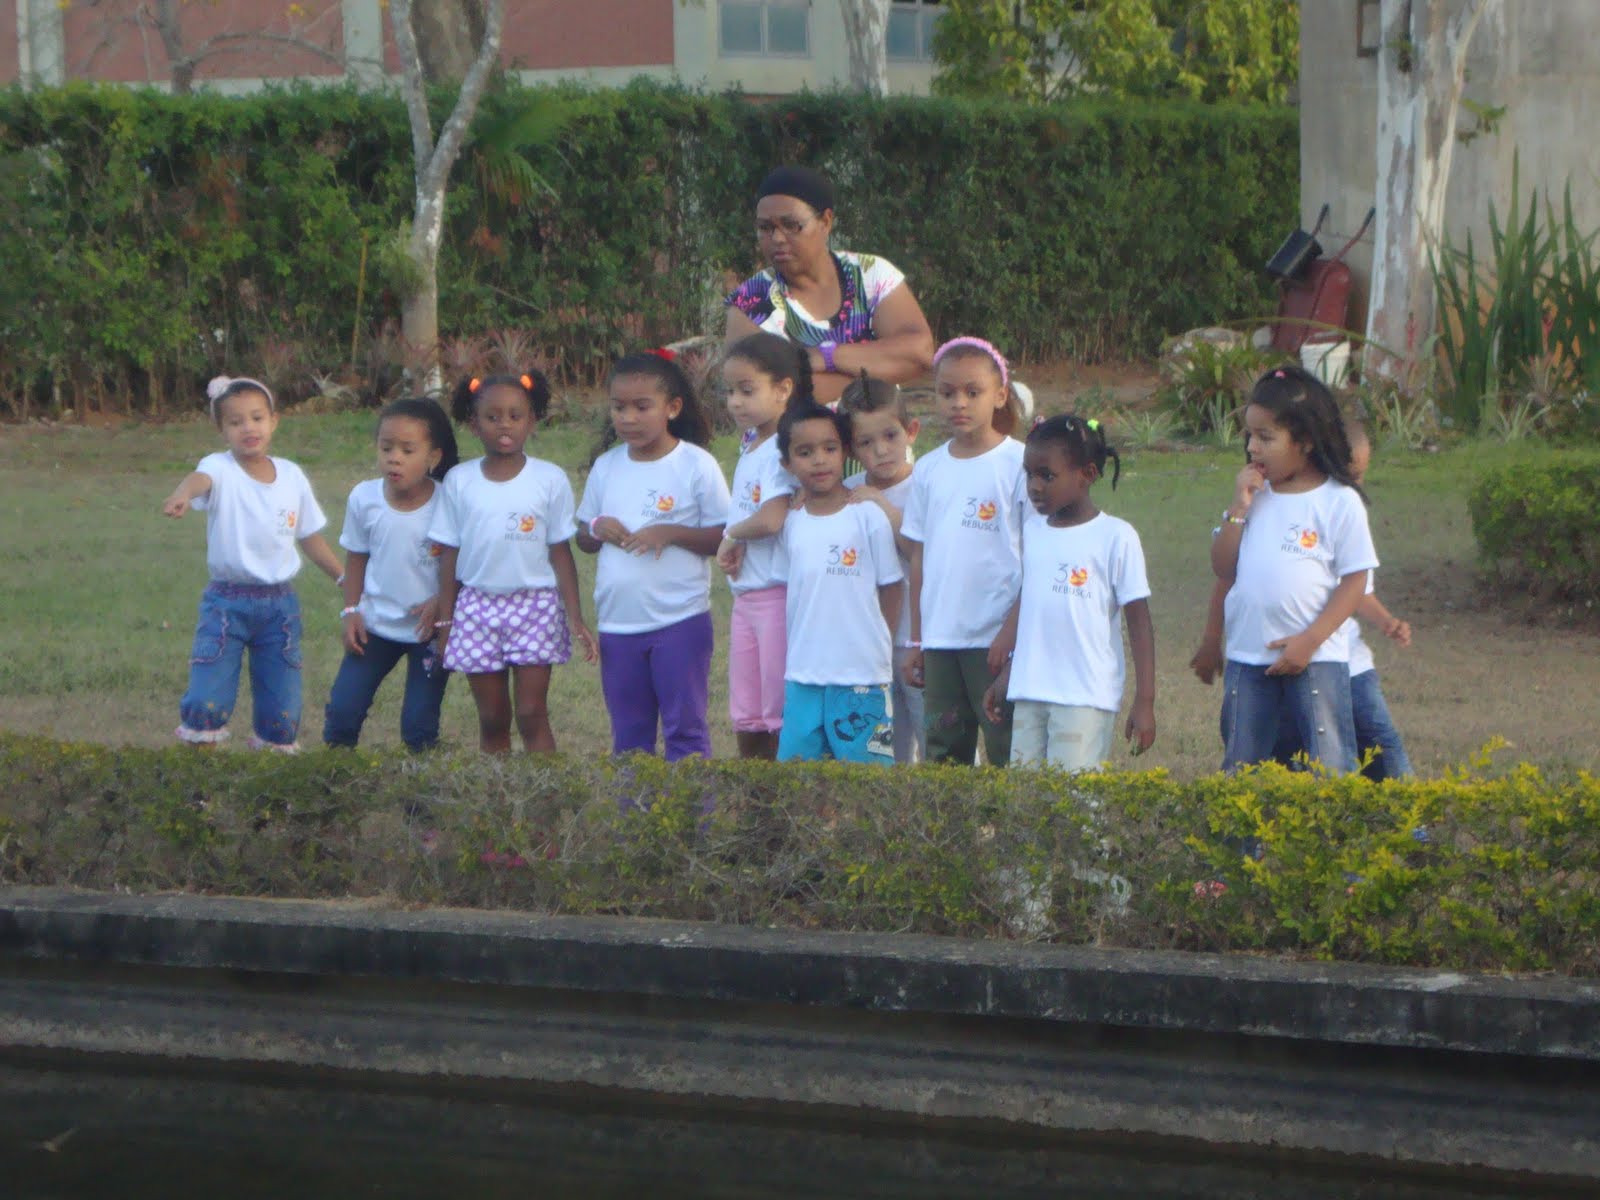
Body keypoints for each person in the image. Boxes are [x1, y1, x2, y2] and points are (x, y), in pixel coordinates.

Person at [1192, 416, 1413, 780]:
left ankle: (1406, 811)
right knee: (1273, 754)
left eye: (1359, 476)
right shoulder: (1258, 504)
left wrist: (1385, 621)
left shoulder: (1341, 508)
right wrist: (1212, 639)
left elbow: (1358, 588)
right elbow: (1227, 578)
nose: (1354, 484)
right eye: (1348, 473)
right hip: (1265, 660)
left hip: (1341, 661)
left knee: (1375, 748)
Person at [162, 374, 343, 751]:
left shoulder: (292, 476)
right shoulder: (219, 467)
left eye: (257, 418)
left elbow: (309, 537)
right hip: (226, 604)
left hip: (280, 608)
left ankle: (270, 773)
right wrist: (182, 493)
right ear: (222, 430)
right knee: (207, 699)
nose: (249, 428)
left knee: (282, 710)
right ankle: (200, 772)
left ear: (274, 421)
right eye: (236, 421)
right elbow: (199, 480)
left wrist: (344, 578)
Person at [1210, 365, 1377, 774]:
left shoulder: (1339, 501)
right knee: (1242, 767)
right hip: (1248, 657)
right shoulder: (1254, 498)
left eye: (1266, 437)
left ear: (1305, 441)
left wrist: (1309, 641)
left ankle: (1328, 821)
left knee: (1329, 767)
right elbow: (1222, 565)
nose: (1252, 447)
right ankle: (1247, 823)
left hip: (1316, 659)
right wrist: (1238, 508)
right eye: (1249, 436)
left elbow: (1355, 581)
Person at [429, 372, 597, 754]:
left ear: (531, 421)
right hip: (476, 607)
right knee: (492, 718)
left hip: (535, 606)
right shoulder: (459, 481)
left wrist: (575, 616)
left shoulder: (549, 479)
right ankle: (498, 791)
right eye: (492, 417)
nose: (504, 425)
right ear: (474, 424)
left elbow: (560, 550)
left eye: (515, 416)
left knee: (531, 712)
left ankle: (543, 791)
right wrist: (446, 620)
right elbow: (449, 552)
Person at [576, 349, 731, 761]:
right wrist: (596, 527)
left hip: (680, 620)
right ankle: (636, 804)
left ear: (672, 408)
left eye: (642, 407)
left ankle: (693, 803)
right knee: (629, 736)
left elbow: (724, 538)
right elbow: (583, 537)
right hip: (618, 624)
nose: (628, 418)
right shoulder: (607, 466)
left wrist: (672, 533)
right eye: (619, 407)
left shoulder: (696, 465)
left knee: (686, 730)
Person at [983, 415, 1156, 769]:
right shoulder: (1034, 531)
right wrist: (1008, 673)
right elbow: (1034, 603)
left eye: (1047, 476)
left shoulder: (1116, 537)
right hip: (1030, 692)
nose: (1034, 486)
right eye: (1029, 474)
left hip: (1084, 697)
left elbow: (1139, 624)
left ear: (1087, 474)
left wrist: (1145, 701)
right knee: (1024, 796)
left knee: (1073, 795)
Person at [900, 337, 1028, 766]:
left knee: (1006, 748)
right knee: (943, 753)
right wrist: (918, 639)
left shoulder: (1020, 464)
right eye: (947, 392)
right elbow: (919, 558)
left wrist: (1012, 633)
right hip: (941, 639)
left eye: (973, 392)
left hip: (994, 639)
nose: (959, 403)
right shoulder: (928, 469)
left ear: (1000, 395)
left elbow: (1035, 557)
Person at [724, 165, 935, 406]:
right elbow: (767, 398)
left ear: (825, 222)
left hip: (879, 431)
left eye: (791, 225)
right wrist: (875, 373)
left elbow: (919, 352)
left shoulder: (869, 274)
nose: (777, 238)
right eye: (765, 228)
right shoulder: (751, 304)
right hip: (792, 433)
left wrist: (827, 357)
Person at [322, 398, 459, 752]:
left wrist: (442, 604)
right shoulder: (364, 498)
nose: (394, 458)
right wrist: (351, 610)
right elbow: (356, 558)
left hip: (429, 631)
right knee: (342, 712)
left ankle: (419, 787)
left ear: (433, 457)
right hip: (374, 626)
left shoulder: (450, 502)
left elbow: (462, 564)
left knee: (419, 725)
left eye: (407, 450)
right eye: (386, 448)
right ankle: (334, 778)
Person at [772, 400, 902, 764]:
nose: (819, 460)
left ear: (845, 452)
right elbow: (790, 587)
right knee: (797, 776)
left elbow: (892, 586)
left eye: (829, 449)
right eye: (805, 452)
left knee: (867, 780)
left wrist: (879, 645)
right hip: (804, 673)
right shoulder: (791, 521)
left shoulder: (867, 515)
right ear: (787, 463)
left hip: (863, 673)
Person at [715, 332, 809, 759]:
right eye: (730, 392)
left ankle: (780, 795)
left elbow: (771, 518)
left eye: (747, 390)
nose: (735, 402)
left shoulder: (780, 449)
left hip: (776, 596)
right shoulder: (752, 445)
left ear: (783, 389)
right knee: (747, 713)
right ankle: (754, 794)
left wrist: (732, 536)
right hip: (748, 597)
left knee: (777, 711)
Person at [839, 371, 924, 763]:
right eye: (866, 442)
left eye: (891, 436)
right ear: (851, 449)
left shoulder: (926, 484)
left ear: (911, 431)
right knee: (888, 747)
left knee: (936, 738)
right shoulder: (848, 492)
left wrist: (886, 509)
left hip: (920, 639)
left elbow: (924, 556)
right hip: (870, 642)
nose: (882, 450)